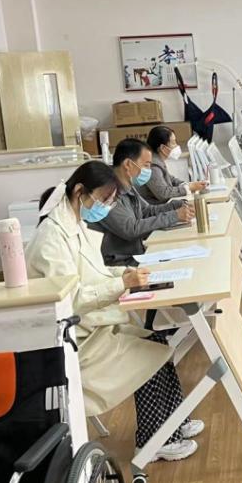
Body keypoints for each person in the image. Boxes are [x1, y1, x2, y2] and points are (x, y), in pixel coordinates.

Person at [25, 161, 203, 462]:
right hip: (74, 341)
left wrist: (125, 274)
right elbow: (71, 299)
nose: (106, 207)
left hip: (92, 326)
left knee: (158, 341)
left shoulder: (74, 224)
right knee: (150, 356)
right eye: (104, 199)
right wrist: (121, 283)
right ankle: (153, 441)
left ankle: (174, 421)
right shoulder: (51, 239)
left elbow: (94, 272)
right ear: (80, 192)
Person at [91, 138, 195, 266]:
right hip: (121, 263)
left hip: (138, 255)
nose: (149, 170)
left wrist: (178, 205)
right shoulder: (106, 191)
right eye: (146, 165)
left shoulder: (127, 184)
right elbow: (131, 230)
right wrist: (174, 216)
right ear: (128, 164)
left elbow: (147, 211)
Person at [140, 125, 207, 204]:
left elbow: (170, 179)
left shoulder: (157, 160)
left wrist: (188, 184)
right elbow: (163, 194)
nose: (177, 146)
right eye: (173, 142)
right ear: (163, 148)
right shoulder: (152, 165)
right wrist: (188, 188)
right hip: (156, 208)